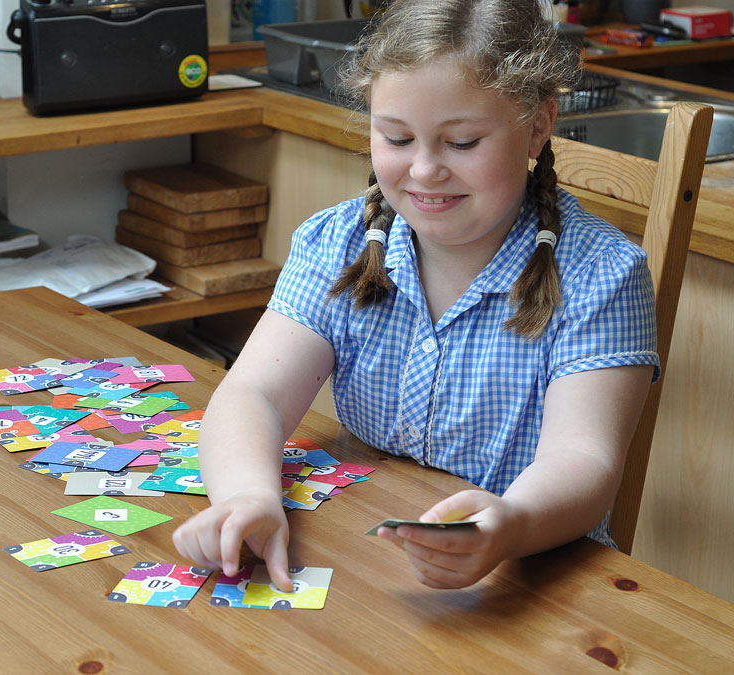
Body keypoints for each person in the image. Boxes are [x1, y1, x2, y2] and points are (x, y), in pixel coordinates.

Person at [172, 0, 658, 592]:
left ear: (538, 123)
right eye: (397, 137)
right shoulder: (337, 243)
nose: (425, 170)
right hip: (367, 551)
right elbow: (253, 395)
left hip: (536, 575)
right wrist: (245, 495)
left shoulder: (603, 273)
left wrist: (509, 524)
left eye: (461, 142)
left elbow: (584, 460)